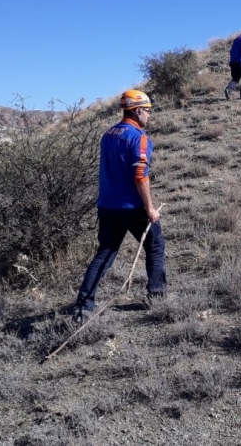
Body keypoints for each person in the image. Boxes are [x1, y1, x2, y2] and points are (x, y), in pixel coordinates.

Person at [72, 89, 166, 323]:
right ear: (137, 111)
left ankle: (83, 307)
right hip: (132, 208)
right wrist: (150, 208)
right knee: (155, 246)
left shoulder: (108, 134)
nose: (149, 116)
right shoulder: (139, 137)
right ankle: (157, 296)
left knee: (105, 253)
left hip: (107, 206)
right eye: (147, 111)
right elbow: (140, 176)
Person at [224, 26, 241, 100]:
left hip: (233, 61)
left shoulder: (236, 39)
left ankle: (228, 89)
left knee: (236, 78)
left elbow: (231, 51)